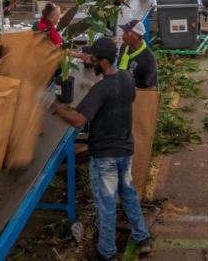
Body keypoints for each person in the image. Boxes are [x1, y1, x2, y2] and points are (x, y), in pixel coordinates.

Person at [52, 37, 153, 260]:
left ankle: (106, 252)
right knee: (128, 194)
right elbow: (130, 97)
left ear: (104, 62)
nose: (92, 62)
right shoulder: (126, 77)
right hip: (125, 149)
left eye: (95, 60)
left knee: (106, 205)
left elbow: (79, 120)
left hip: (105, 155)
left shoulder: (102, 88)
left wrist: (58, 109)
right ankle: (142, 238)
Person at [117, 19, 157, 89]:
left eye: (127, 33)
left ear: (138, 36)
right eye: (123, 32)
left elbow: (151, 88)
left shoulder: (148, 58)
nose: (123, 35)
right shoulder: (124, 47)